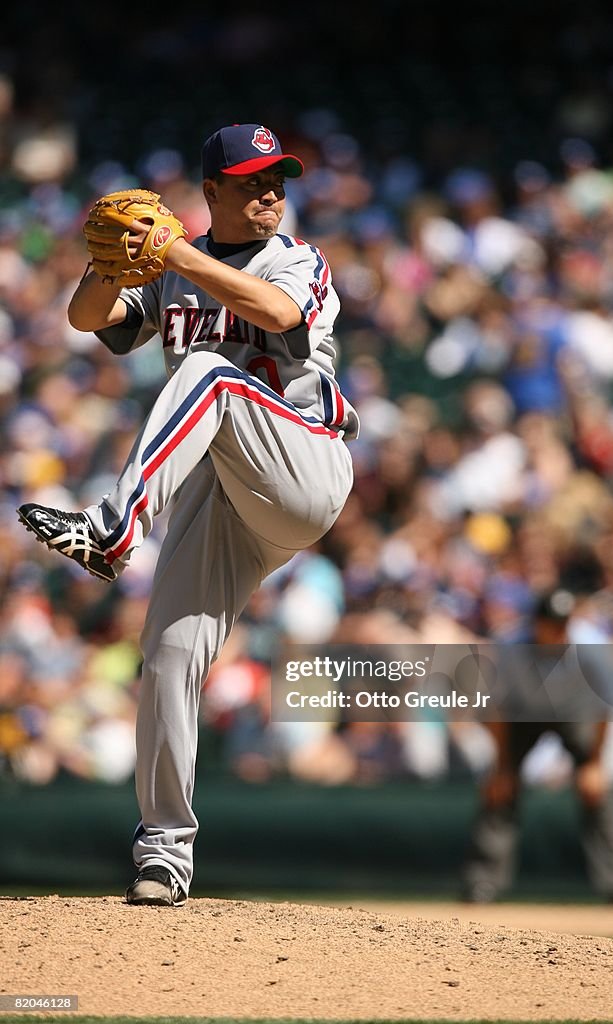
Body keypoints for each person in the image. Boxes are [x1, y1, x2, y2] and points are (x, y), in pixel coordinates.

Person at [18, 123, 359, 906]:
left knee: (208, 370)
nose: (270, 191)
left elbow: (275, 315)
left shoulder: (296, 259)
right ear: (211, 193)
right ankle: (164, 851)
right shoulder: (176, 269)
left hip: (304, 465)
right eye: (250, 180)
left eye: (277, 178)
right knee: (168, 655)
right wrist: (108, 261)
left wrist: (174, 254)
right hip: (220, 487)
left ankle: (111, 530)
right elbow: (86, 318)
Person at [460, 588, 613, 905]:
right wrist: (502, 768)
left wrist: (595, 764)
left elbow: (604, 708)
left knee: (596, 789)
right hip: (523, 713)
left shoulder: (591, 644)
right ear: (536, 623)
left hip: (576, 712)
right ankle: (482, 883)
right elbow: (497, 710)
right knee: (498, 786)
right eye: (550, 623)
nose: (558, 631)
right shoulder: (511, 644)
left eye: (563, 623)